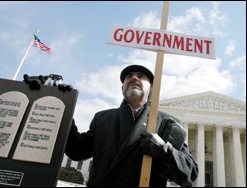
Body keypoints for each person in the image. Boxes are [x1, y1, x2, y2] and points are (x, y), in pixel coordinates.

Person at [65, 64, 199, 187]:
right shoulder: (102, 118)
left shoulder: (168, 123)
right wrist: (63, 106)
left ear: (152, 90)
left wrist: (165, 152)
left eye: (141, 76)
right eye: (129, 77)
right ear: (122, 87)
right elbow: (77, 150)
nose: (134, 78)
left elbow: (190, 173)